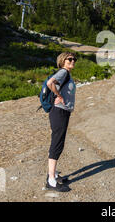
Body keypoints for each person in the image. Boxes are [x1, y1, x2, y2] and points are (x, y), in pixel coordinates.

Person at [45, 52, 77, 192]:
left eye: (74, 59)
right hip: (59, 111)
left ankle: (53, 174)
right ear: (62, 61)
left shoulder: (66, 74)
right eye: (69, 59)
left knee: (58, 141)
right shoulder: (63, 72)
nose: (73, 61)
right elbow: (50, 83)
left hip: (61, 111)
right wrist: (59, 96)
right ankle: (51, 180)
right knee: (57, 143)